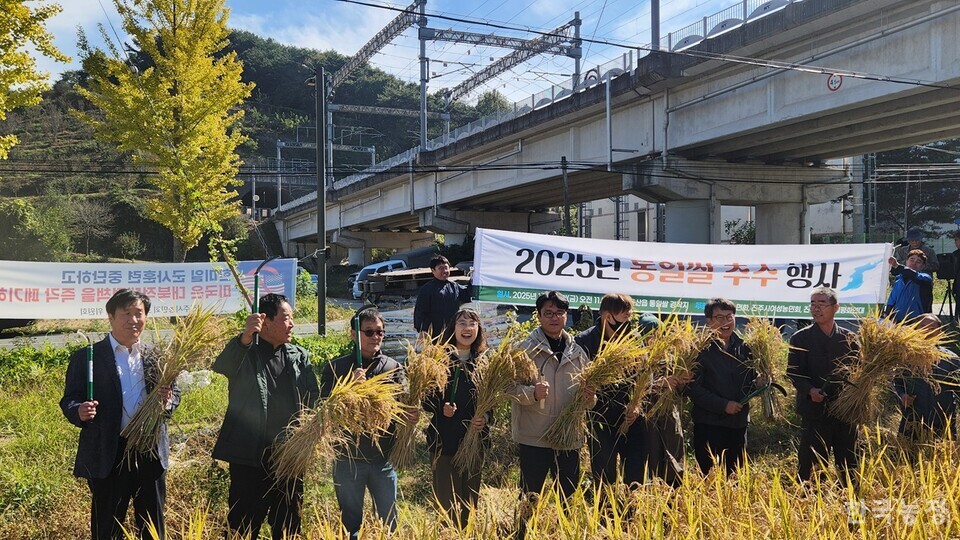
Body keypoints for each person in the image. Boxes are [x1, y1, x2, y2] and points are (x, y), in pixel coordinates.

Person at [60, 289, 180, 540]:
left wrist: (168, 402)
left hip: (149, 451)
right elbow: (70, 399)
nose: (133, 320)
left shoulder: (155, 356)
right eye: (126, 314)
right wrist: (78, 411)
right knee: (107, 527)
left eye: (139, 314)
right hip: (109, 451)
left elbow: (175, 393)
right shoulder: (89, 357)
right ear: (111, 317)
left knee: (153, 526)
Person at [211, 293, 320, 539]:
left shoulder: (298, 356)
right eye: (286, 318)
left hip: (289, 455)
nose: (291, 324)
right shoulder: (246, 351)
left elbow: (313, 396)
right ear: (266, 321)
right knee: (243, 523)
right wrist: (245, 336)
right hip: (250, 454)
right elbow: (223, 366)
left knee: (289, 522)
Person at [322, 306, 410, 540]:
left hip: (383, 458)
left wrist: (411, 414)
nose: (376, 337)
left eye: (380, 332)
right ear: (354, 334)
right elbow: (323, 408)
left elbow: (403, 406)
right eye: (369, 332)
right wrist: (349, 386)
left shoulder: (392, 367)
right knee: (350, 522)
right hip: (348, 458)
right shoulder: (337, 367)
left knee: (389, 519)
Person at [506, 291, 593, 499]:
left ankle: (564, 532)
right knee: (530, 496)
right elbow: (508, 389)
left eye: (559, 313)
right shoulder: (524, 350)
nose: (554, 317)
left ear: (566, 316)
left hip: (568, 437)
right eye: (548, 313)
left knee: (569, 497)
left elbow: (588, 398)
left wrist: (590, 397)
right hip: (535, 436)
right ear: (538, 316)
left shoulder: (577, 352)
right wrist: (532, 394)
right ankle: (522, 532)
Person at [422, 308, 491, 527]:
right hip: (444, 442)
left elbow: (491, 403)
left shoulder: (484, 362)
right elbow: (424, 398)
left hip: (473, 443)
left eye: (472, 323)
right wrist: (441, 407)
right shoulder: (439, 359)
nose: (467, 328)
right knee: (447, 504)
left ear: (478, 329)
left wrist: (486, 418)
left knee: (470, 503)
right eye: (461, 323)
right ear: (453, 328)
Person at [787, 287, 860, 487]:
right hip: (814, 410)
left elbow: (859, 371)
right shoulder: (800, 338)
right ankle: (807, 504)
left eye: (821, 304)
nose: (816, 309)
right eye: (812, 304)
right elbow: (793, 372)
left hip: (845, 411)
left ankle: (850, 503)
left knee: (849, 461)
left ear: (835, 307)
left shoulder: (849, 338)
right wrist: (810, 390)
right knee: (811, 462)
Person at [574, 293, 646, 487]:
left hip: (629, 413)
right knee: (604, 469)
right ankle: (605, 513)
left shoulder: (634, 339)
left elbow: (644, 377)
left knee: (636, 469)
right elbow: (575, 379)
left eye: (630, 317)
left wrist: (637, 405)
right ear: (608, 317)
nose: (628, 322)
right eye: (624, 317)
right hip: (599, 414)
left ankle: (633, 511)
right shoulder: (584, 341)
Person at [685, 298, 758, 476]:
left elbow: (751, 382)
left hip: (738, 424)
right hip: (708, 423)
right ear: (708, 320)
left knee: (735, 477)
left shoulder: (747, 348)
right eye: (719, 317)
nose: (725, 322)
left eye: (729, 317)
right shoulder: (697, 349)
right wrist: (723, 405)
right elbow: (692, 388)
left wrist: (760, 383)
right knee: (709, 477)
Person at [893, 314, 960, 441]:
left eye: (931, 327)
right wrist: (902, 395)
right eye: (922, 326)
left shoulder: (950, 358)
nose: (926, 330)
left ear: (939, 332)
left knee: (941, 457)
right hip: (913, 419)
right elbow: (896, 382)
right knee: (908, 457)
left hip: (942, 418)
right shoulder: (907, 356)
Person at [414, 255, 471, 339]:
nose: (444, 271)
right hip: (434, 333)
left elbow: (467, 295)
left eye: (446, 268)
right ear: (433, 271)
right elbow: (420, 312)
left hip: (453, 331)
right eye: (440, 268)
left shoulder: (454, 286)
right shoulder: (426, 289)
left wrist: (473, 279)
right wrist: (423, 331)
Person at [885, 250, 933, 322]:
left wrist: (897, 266)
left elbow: (914, 275)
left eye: (918, 262)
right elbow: (891, 302)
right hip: (898, 323)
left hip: (918, 323)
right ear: (906, 262)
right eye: (912, 260)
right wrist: (887, 317)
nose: (914, 263)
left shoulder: (925, 278)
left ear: (923, 266)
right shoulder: (898, 280)